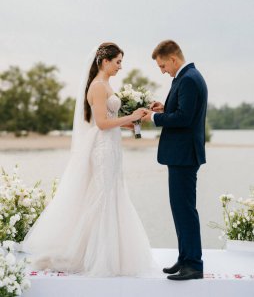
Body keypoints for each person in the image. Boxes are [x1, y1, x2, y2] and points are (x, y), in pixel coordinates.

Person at [22, 42, 156, 277]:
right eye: (118, 62)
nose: (120, 67)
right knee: (102, 196)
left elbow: (111, 121)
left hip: (113, 147)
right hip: (102, 148)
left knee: (113, 193)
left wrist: (135, 119)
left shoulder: (107, 85)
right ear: (105, 62)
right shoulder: (96, 86)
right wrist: (130, 117)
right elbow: (102, 124)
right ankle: (96, 256)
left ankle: (111, 255)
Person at [142, 40, 208, 281]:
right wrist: (164, 106)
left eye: (162, 66)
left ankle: (193, 264)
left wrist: (155, 117)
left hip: (184, 156)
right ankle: (185, 258)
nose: (162, 70)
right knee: (180, 209)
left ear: (172, 59)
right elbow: (180, 109)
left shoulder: (189, 78)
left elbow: (184, 118)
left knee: (185, 210)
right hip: (182, 155)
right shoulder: (186, 77)